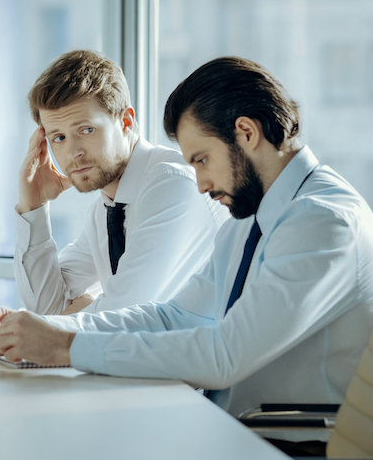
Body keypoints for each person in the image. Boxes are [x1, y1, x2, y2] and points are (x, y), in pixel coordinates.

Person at [0, 56, 373, 423]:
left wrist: (65, 346)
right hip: (228, 428)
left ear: (246, 133)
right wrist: (43, 330)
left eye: (201, 160)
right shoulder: (255, 216)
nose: (199, 183)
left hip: (286, 449)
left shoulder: (322, 221)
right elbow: (171, 317)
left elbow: (224, 355)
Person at [15, 50, 227, 316]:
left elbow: (122, 315)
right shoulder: (105, 210)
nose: (72, 152)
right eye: (58, 137)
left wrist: (76, 314)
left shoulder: (171, 183)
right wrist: (33, 206)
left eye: (86, 130)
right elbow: (45, 308)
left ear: (126, 121)